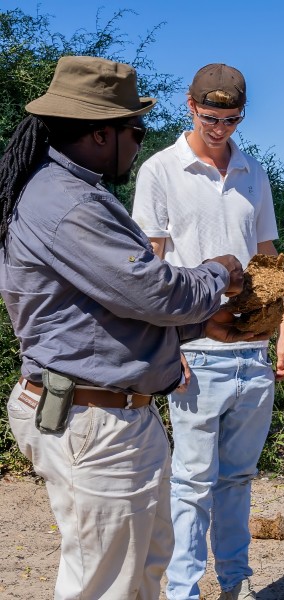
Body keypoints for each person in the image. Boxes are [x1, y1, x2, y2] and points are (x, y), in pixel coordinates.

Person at [0, 56, 251, 600]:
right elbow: (152, 290)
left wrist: (196, 327)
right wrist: (220, 273)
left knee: (141, 571)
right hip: (94, 420)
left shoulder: (70, 193)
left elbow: (105, 315)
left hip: (111, 413)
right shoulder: (67, 204)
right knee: (105, 584)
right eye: (135, 130)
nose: (140, 143)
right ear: (99, 134)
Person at [132, 63, 284, 600]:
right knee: (191, 484)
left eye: (231, 119)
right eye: (210, 117)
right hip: (195, 354)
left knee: (237, 480)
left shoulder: (254, 171)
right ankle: (183, 592)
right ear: (190, 106)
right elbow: (150, 270)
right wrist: (164, 346)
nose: (220, 128)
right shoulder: (160, 170)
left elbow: (268, 260)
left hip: (254, 354)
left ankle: (235, 585)